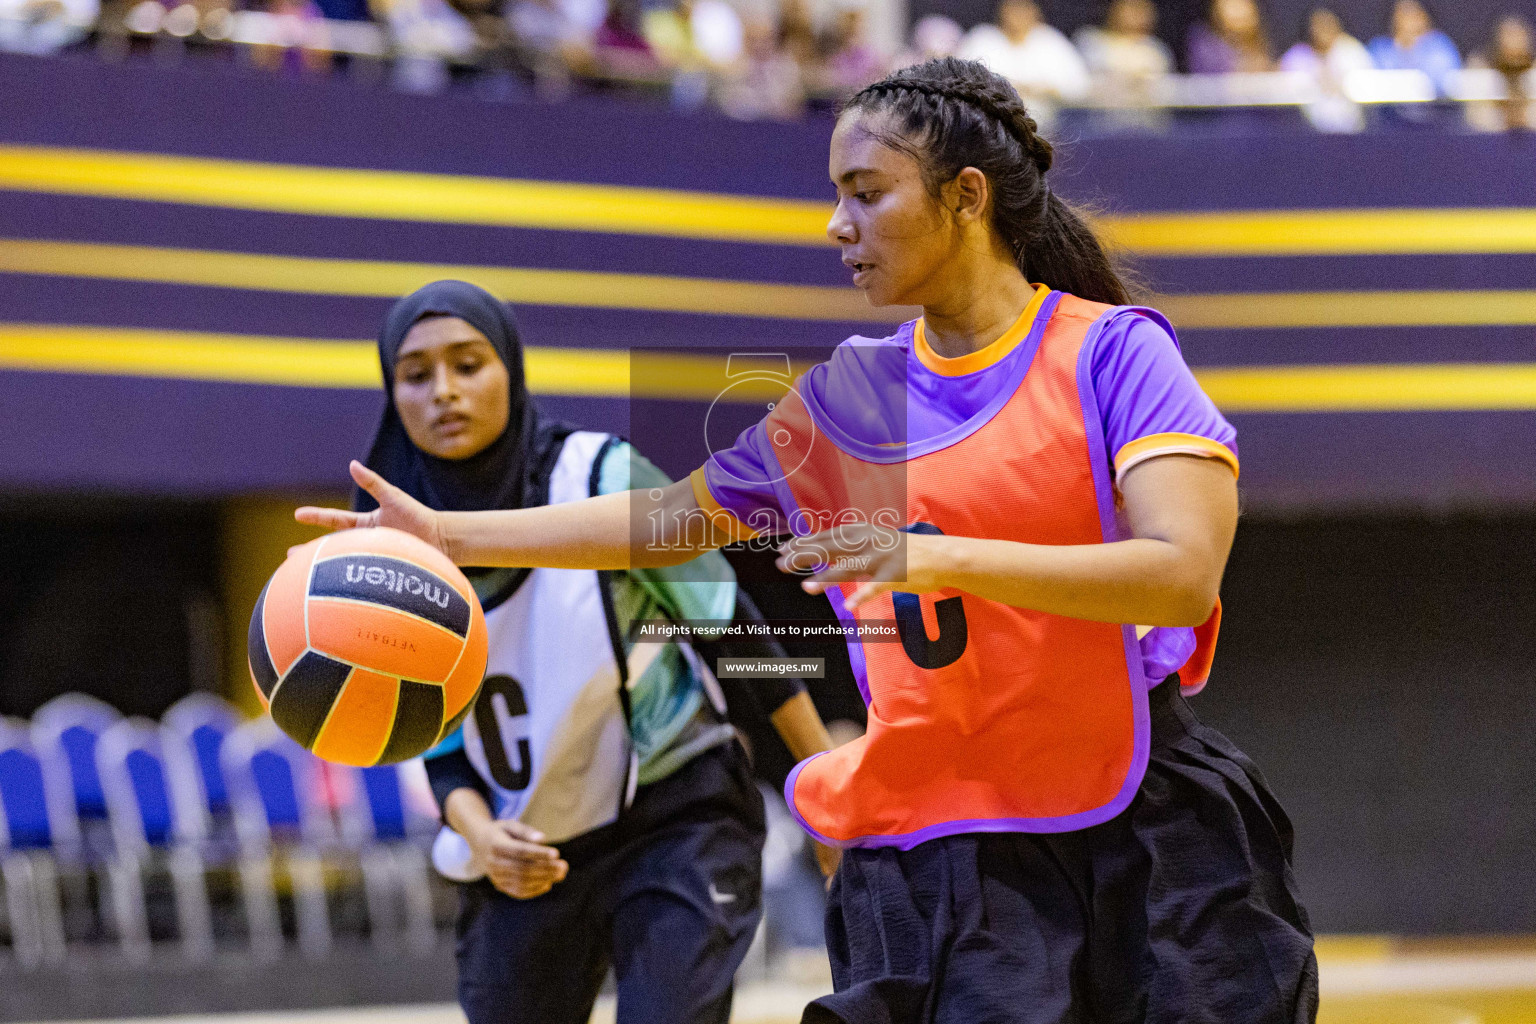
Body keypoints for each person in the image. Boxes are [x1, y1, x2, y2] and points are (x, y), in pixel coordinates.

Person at [299, 58, 1319, 1024]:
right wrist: (440, 531)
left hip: (1132, 820)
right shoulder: (850, 398)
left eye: (867, 192)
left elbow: (1180, 578)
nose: (838, 224)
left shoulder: (1111, 355)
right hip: (944, 843)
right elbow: (665, 521)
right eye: (836, 194)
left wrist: (936, 554)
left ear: (966, 196)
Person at [350, 281, 838, 1024]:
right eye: (416, 375)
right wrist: (482, 835)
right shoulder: (386, 539)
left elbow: (733, 628)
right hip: (528, 837)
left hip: (675, 808)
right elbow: (434, 735)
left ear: (511, 370)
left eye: (468, 364)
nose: (444, 392)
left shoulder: (598, 473)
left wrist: (824, 794)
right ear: (393, 392)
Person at [959, 0, 1090, 125]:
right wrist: (1010, 89)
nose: (1017, 14)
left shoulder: (1049, 39)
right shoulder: (982, 38)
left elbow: (1080, 85)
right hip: (989, 123)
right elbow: (959, 82)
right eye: (1013, 8)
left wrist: (1044, 90)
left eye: (1023, 7)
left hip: (1046, 125)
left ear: (1035, 11)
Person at [1279, 8, 1372, 131]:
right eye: (1318, 24)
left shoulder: (1351, 51)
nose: (1323, 29)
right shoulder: (1297, 56)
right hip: (1307, 133)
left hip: (1351, 132)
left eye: (1328, 23)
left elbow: (1366, 90)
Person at [1367, 0, 1461, 95]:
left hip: (1431, 107)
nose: (1409, 20)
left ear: (1424, 17)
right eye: (1404, 13)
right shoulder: (1381, 47)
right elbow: (1373, 82)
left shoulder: (1438, 44)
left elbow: (1444, 79)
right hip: (1392, 107)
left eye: (1414, 13)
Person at [1187, 0, 1274, 73]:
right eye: (1232, 4)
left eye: (1243, 3)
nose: (1239, 10)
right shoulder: (1206, 44)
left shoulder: (1257, 41)